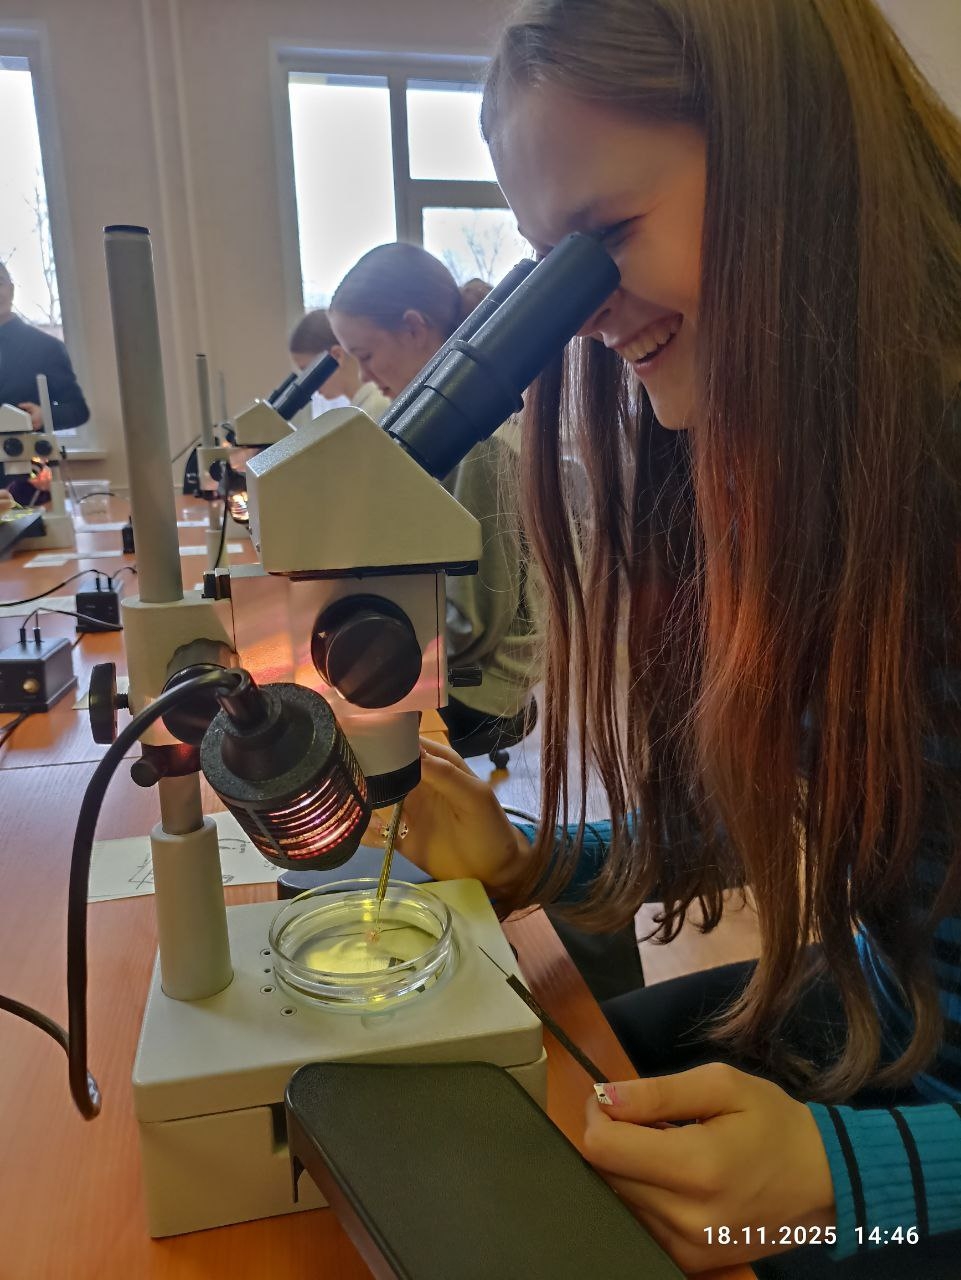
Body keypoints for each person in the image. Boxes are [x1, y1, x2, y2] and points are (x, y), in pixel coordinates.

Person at [366, 2, 961, 1276]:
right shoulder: (800, 454)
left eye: (607, 236)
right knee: (525, 1133)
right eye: (549, 263)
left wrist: (854, 1181)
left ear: (792, 150)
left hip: (927, 1160)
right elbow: (783, 820)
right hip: (885, 1022)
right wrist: (532, 858)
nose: (581, 315)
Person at [329, 243, 539, 739]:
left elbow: (471, 624)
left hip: (480, 690)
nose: (364, 376)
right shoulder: (444, 426)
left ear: (413, 327)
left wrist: (368, 649)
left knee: (333, 724)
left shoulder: (479, 443)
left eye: (366, 356)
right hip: (456, 659)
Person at [0, 261, 89, 431]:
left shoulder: (47, 347)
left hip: (26, 447)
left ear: (11, 290)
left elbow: (78, 409)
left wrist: (45, 416)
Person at [287, 308, 389, 421]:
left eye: (308, 371)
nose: (307, 384)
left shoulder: (375, 407)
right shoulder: (361, 408)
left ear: (336, 356)